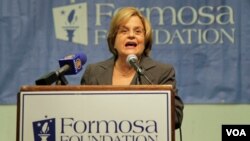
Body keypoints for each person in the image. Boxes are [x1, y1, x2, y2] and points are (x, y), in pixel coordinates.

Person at [81, 7, 184, 129]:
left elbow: (176, 118)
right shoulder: (94, 72)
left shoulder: (162, 73)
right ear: (114, 40)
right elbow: (81, 114)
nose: (131, 35)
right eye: (124, 31)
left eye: (138, 32)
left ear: (145, 40)